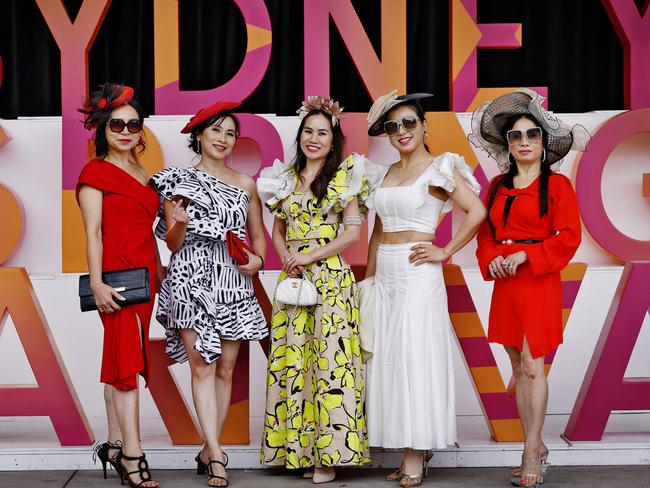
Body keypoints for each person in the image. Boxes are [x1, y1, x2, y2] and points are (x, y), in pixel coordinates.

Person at [364, 91, 486, 488]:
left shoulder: (440, 168)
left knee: (415, 357)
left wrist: (445, 250)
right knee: (389, 358)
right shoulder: (382, 174)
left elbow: (478, 211)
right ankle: (408, 448)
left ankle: (416, 453)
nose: (401, 131)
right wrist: (369, 277)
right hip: (386, 276)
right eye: (393, 126)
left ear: (424, 126)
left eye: (409, 123)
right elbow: (378, 230)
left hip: (418, 274)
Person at [469, 88, 588, 488]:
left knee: (534, 366)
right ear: (507, 144)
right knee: (518, 365)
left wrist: (524, 256)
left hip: (538, 281)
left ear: (543, 142)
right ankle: (532, 444)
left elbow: (568, 237)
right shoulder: (498, 187)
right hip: (506, 283)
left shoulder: (558, 188)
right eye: (516, 136)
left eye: (531, 135)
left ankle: (531, 449)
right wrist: (494, 260)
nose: (523, 142)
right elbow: (484, 236)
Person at [149, 102, 268, 487]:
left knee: (227, 368)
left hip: (232, 279)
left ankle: (207, 447)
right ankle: (217, 454)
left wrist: (258, 261)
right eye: (215, 130)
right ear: (198, 135)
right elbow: (171, 242)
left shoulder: (245, 183)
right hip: (191, 276)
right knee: (201, 365)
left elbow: (257, 239)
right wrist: (179, 224)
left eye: (230, 133)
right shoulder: (176, 181)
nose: (223, 138)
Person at [257, 96, 372, 484]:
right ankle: (300, 451)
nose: (314, 138)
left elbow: (353, 233)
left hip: (330, 281)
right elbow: (276, 229)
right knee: (293, 363)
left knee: (328, 365)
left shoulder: (345, 177)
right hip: (292, 280)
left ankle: (330, 457)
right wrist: (289, 256)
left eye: (323, 132)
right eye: (309, 131)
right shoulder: (284, 178)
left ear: (333, 137)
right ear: (300, 135)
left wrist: (310, 256)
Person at [77, 83, 162, 488]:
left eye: (133, 124)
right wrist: (96, 282)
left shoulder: (145, 175)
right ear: (102, 129)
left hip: (147, 278)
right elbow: (93, 233)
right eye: (117, 124)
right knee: (126, 365)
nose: (126, 131)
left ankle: (112, 444)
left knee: (119, 364)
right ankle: (132, 454)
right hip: (116, 279)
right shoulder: (94, 172)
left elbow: (150, 231)